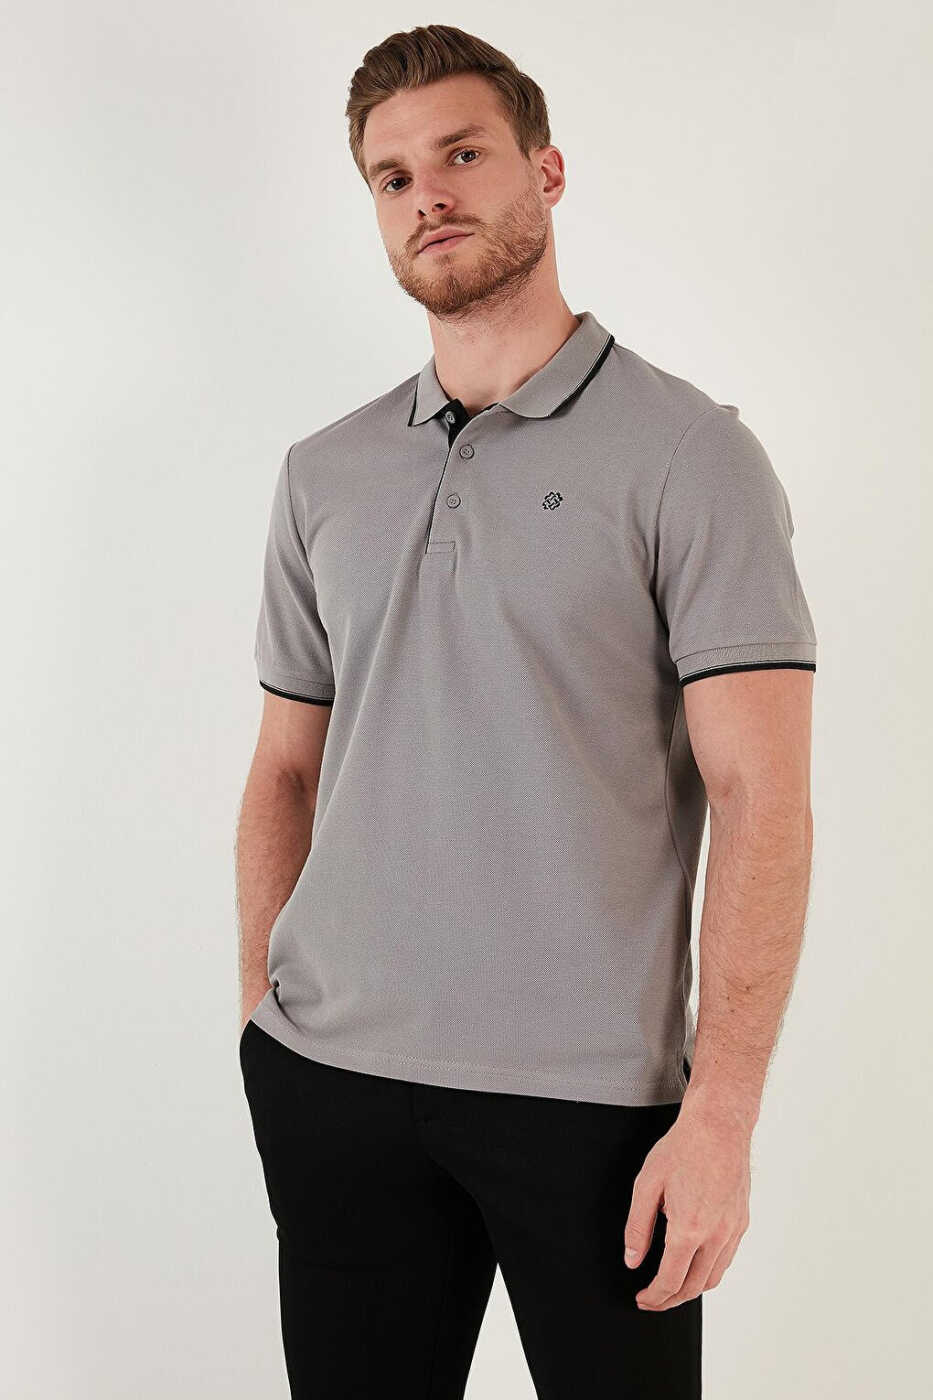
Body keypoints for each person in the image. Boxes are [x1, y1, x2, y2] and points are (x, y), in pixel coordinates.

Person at [235, 23, 817, 1399]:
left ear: (544, 171)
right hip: (332, 1084)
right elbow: (284, 772)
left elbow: (763, 797)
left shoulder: (691, 455)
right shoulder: (323, 473)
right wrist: (264, 1016)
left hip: (595, 1106)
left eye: (461, 155)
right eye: (391, 177)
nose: (426, 196)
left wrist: (722, 1114)